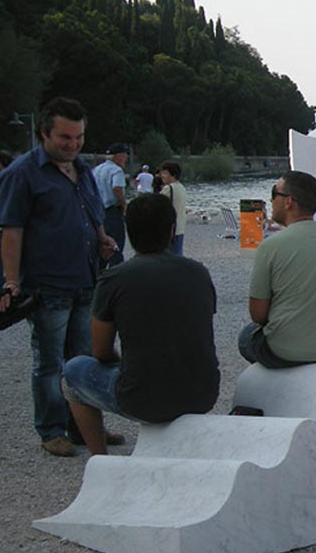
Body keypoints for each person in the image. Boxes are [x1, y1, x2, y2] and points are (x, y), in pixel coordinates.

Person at [0, 98, 121, 456]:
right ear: (44, 133)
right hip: (47, 284)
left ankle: (84, 427)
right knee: (50, 362)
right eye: (65, 137)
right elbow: (11, 231)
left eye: (79, 137)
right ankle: (52, 430)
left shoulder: (83, 170)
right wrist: (11, 281)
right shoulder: (21, 173)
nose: (73, 144)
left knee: (84, 359)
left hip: (87, 278)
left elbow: (92, 215)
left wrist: (102, 239)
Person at [61, 194, 219, 455]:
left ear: (128, 230)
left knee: (72, 372)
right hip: (202, 394)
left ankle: (100, 457)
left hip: (142, 399)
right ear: (171, 231)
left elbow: (100, 350)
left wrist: (122, 363)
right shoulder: (198, 272)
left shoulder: (114, 279)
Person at [237, 170, 316, 368]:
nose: (270, 200)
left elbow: (257, 315)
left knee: (246, 337)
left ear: (288, 202)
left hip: (286, 351)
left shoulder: (271, 246)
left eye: (274, 194)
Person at [92, 142, 129, 268]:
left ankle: (100, 274)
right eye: (125, 154)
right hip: (112, 211)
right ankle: (117, 273)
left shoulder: (96, 170)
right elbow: (117, 188)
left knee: (102, 247)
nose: (126, 158)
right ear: (118, 156)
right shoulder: (116, 170)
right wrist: (124, 205)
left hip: (98, 212)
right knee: (116, 247)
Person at [0, 149, 14, 296]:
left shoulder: (6, 178)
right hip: (1, 225)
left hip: (3, 227)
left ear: (1, 164)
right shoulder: (4, 177)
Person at [158, 160, 187, 255]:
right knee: (177, 255)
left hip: (169, 229)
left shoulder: (168, 188)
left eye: (165, 173)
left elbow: (158, 206)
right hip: (180, 228)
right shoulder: (182, 187)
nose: (162, 176)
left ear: (173, 174)